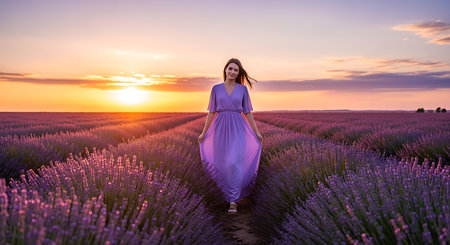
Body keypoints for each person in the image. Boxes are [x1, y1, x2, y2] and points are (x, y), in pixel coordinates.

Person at [198, 58, 263, 214]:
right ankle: (225, 197)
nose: (233, 72)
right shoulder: (215, 89)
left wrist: (256, 132)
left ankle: (233, 200)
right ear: (225, 70)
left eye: (236, 70)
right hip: (220, 128)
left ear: (238, 73)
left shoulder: (242, 90)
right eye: (230, 69)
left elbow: (247, 113)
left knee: (234, 163)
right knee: (222, 164)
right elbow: (211, 112)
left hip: (238, 127)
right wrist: (204, 132)